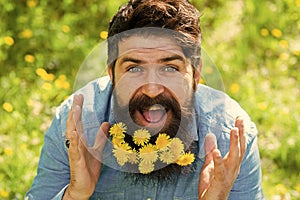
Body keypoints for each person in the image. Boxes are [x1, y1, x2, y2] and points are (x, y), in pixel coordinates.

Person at [26, 0, 264, 199]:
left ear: (196, 74)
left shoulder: (229, 136)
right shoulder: (76, 127)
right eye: (134, 69)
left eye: (170, 68)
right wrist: (75, 195)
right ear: (111, 74)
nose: (151, 90)